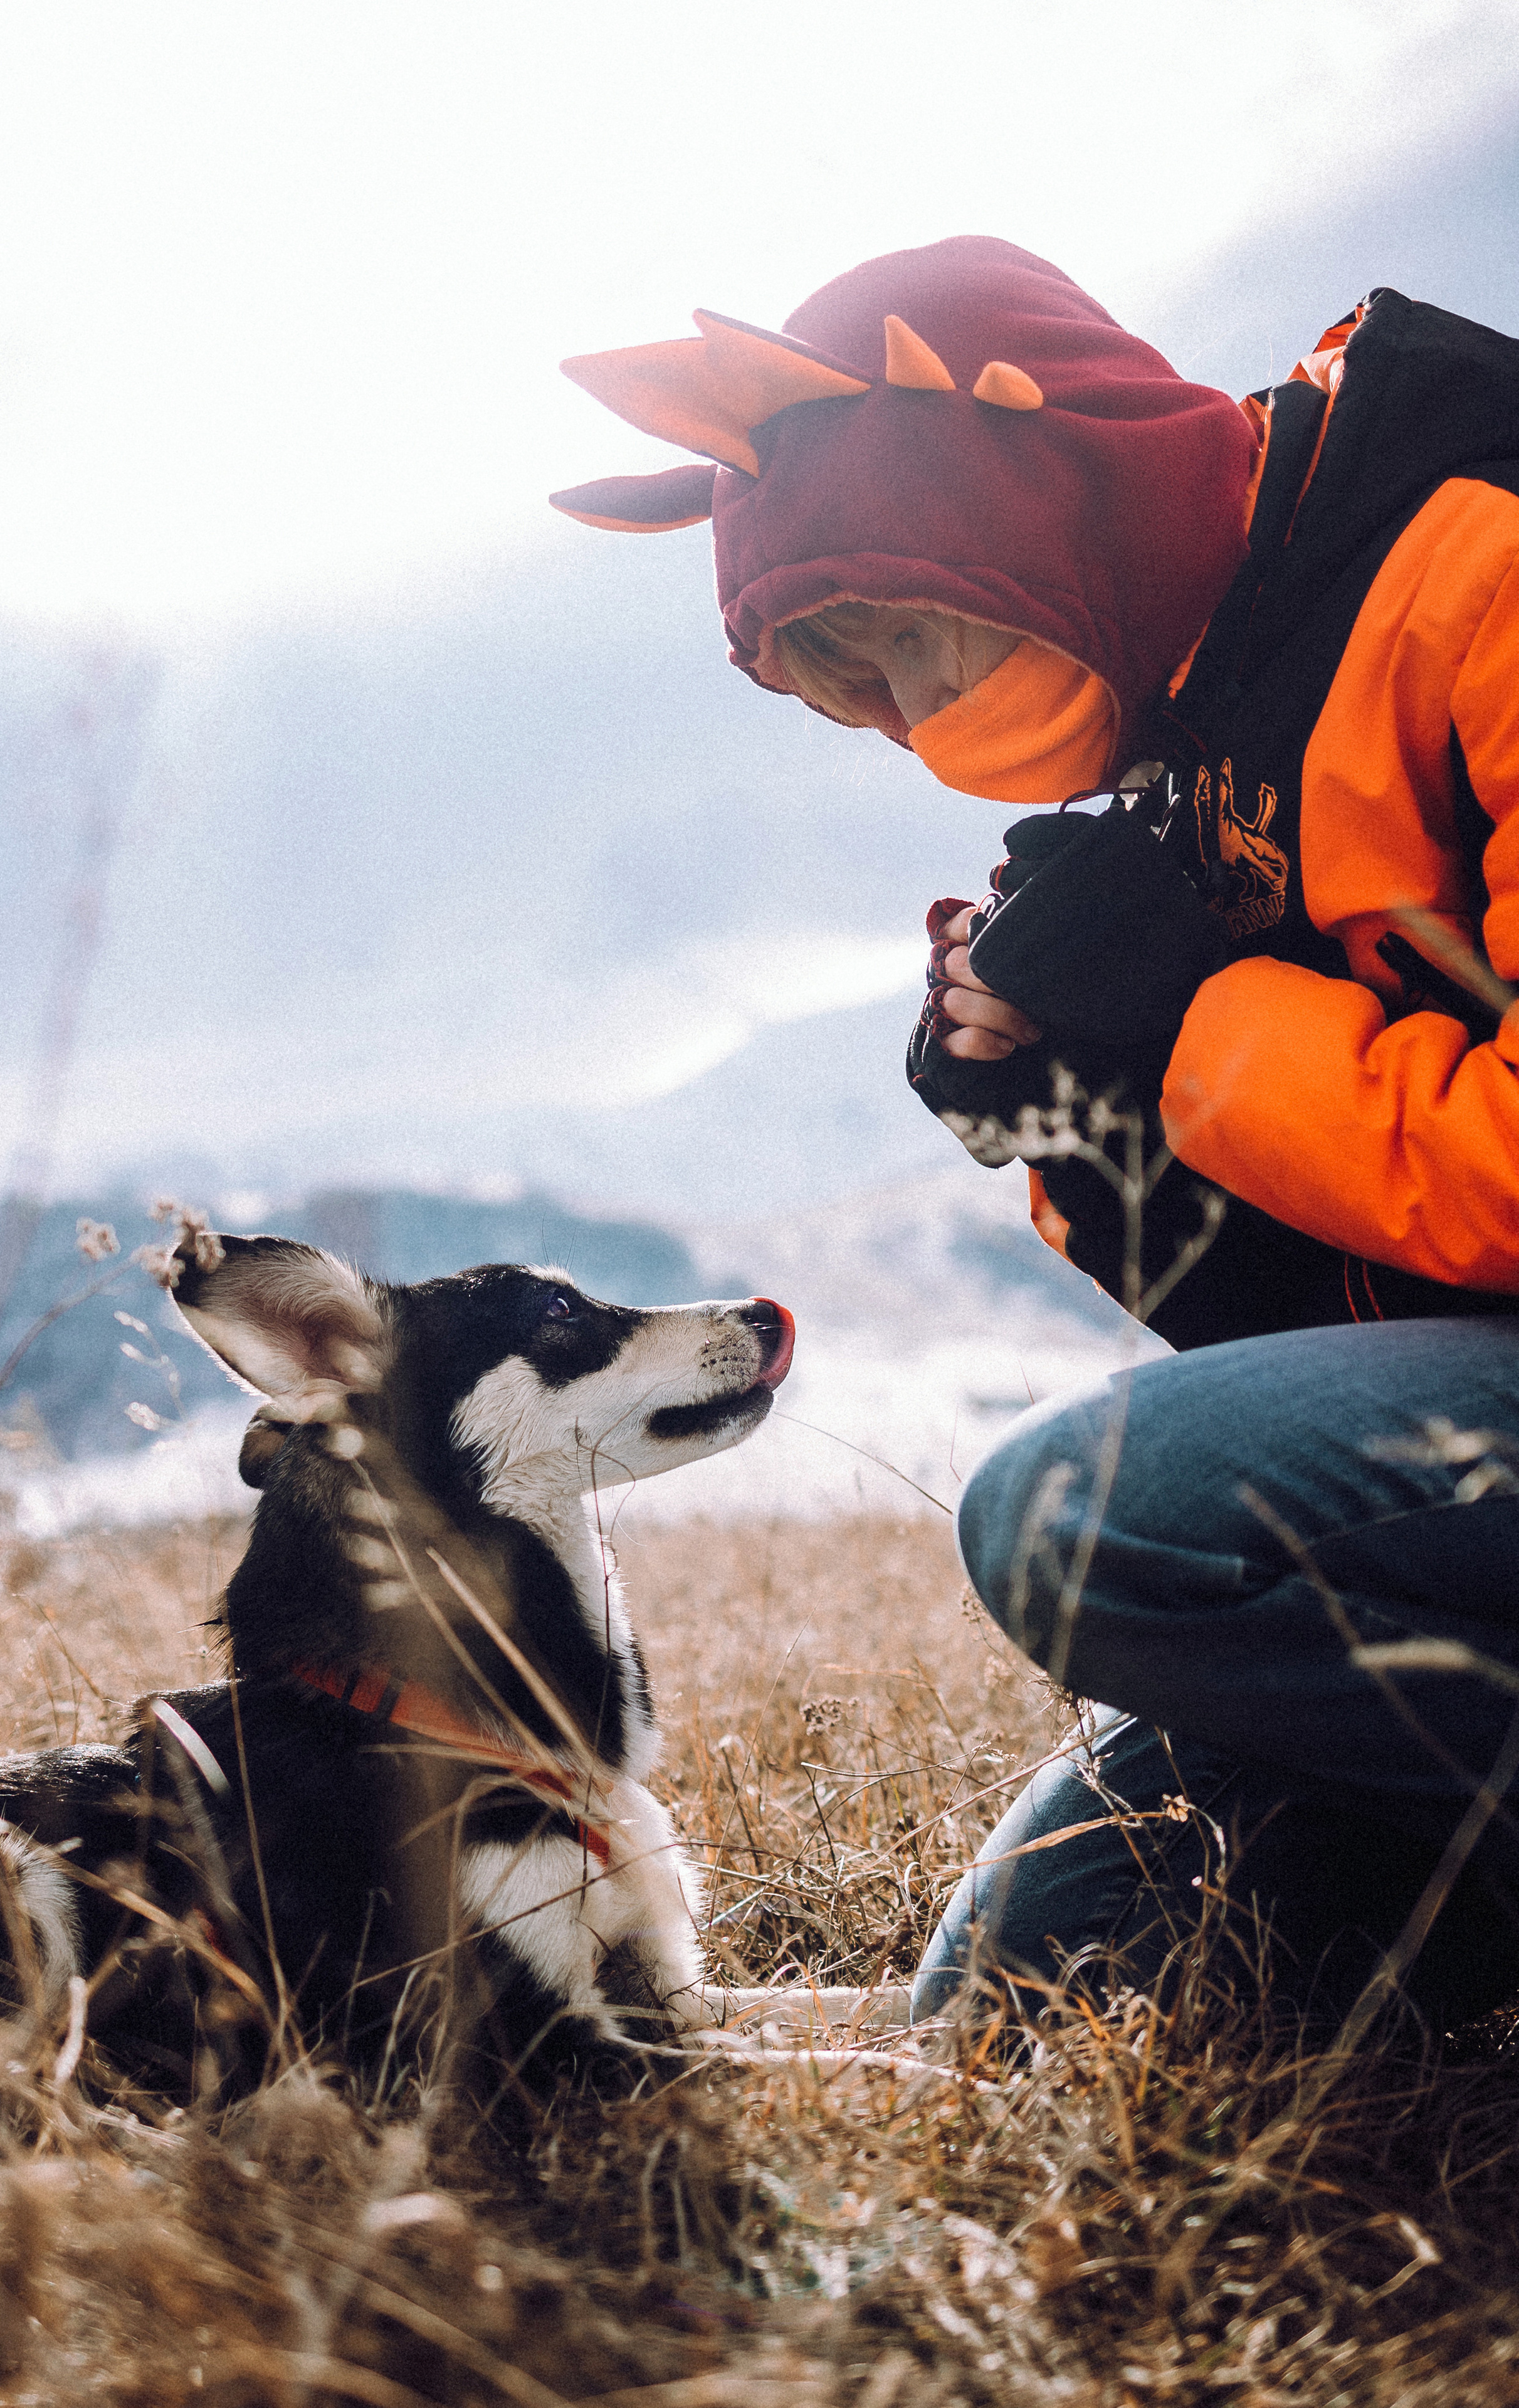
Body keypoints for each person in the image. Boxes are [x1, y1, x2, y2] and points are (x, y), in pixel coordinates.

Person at [551, 237, 1519, 2038]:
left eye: (922, 648)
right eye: (869, 699)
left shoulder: (1482, 554)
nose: (923, 730)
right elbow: (1323, 1321)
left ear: (1039, 495)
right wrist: (1082, 1113)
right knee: (1014, 1999)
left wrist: (1192, 1005)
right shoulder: (1201, 701)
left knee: (1070, 1517)